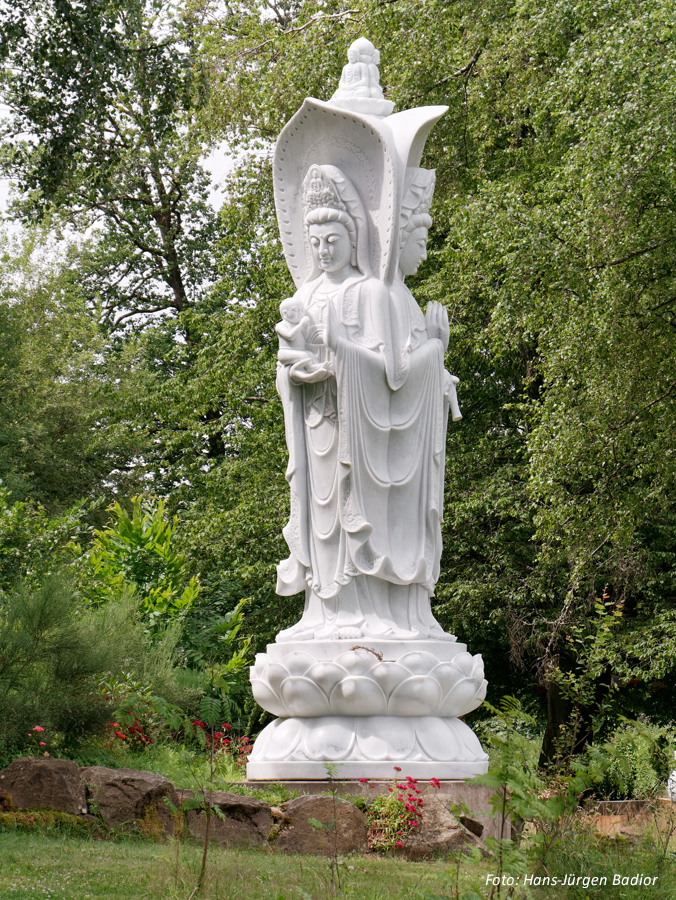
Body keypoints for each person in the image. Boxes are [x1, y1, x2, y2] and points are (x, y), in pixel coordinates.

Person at [275, 163, 453, 642]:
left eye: (332, 238)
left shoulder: (371, 292)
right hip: (319, 429)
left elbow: (391, 376)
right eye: (314, 243)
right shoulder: (305, 295)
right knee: (324, 518)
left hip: (363, 433)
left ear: (354, 238)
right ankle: (326, 611)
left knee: (359, 515)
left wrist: (344, 354)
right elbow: (288, 362)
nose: (323, 250)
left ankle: (372, 611)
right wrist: (295, 368)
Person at [275, 297, 331, 379]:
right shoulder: (281, 325)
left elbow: (305, 336)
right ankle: (310, 368)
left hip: (299, 351)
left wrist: (305, 327)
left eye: (302, 310)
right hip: (285, 352)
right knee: (304, 355)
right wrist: (301, 325)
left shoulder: (297, 326)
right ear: (285, 314)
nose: (300, 313)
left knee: (310, 354)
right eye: (295, 310)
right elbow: (290, 336)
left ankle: (317, 366)